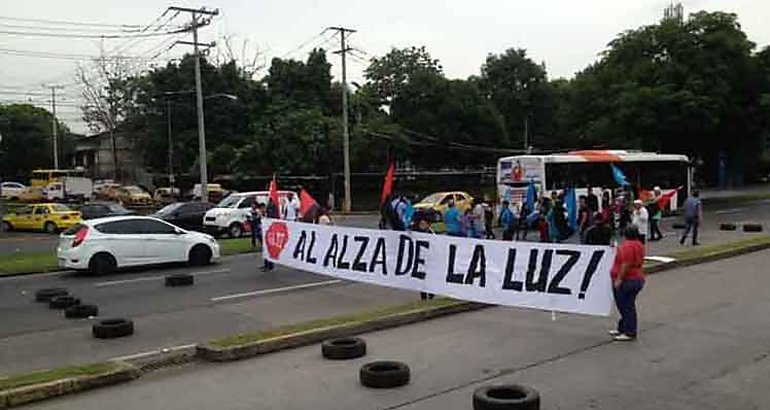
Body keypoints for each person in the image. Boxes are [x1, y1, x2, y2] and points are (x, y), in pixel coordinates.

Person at [610, 226, 646, 341]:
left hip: (628, 280)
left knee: (625, 306)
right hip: (637, 278)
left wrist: (619, 279)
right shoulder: (639, 244)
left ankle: (630, 331)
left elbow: (626, 264)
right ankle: (623, 327)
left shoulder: (627, 246)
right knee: (627, 305)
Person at [413, 217, 436, 300]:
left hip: (429, 258)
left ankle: (431, 293)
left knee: (429, 277)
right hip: (420, 259)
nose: (422, 225)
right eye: (421, 224)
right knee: (421, 278)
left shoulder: (431, 232)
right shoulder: (417, 233)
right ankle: (423, 295)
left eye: (424, 224)